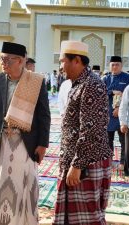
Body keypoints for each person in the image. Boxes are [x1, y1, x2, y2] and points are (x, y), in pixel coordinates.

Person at [0, 42, 50, 225]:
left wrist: (42, 144)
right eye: (2, 59)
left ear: (21, 61)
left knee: (23, 184)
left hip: (26, 143)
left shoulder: (35, 82)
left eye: (8, 59)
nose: (4, 63)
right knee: (1, 183)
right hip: (2, 142)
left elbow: (44, 115)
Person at [52, 40, 112, 225]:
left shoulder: (91, 85)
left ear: (76, 60)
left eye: (63, 61)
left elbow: (91, 129)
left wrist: (77, 165)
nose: (61, 66)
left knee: (87, 218)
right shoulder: (78, 83)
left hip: (87, 163)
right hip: (77, 160)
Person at [103, 55, 129, 171]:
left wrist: (119, 108)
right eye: (113, 65)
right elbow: (100, 93)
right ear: (109, 66)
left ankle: (123, 161)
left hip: (123, 115)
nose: (115, 67)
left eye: (117, 65)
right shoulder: (105, 79)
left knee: (124, 140)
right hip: (108, 115)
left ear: (121, 66)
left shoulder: (127, 78)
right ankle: (109, 160)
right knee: (108, 140)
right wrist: (111, 92)